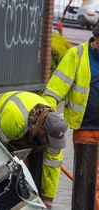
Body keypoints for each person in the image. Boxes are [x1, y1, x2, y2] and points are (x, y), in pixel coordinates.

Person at [43, 24, 99, 209]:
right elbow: (55, 90)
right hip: (86, 130)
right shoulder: (77, 55)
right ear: (97, 38)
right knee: (93, 183)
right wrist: (45, 115)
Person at [0, 91, 68, 208]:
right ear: (42, 128)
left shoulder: (53, 130)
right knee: (4, 182)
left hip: (25, 128)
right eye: (48, 139)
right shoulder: (15, 121)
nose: (49, 143)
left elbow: (52, 166)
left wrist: (47, 199)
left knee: (34, 181)